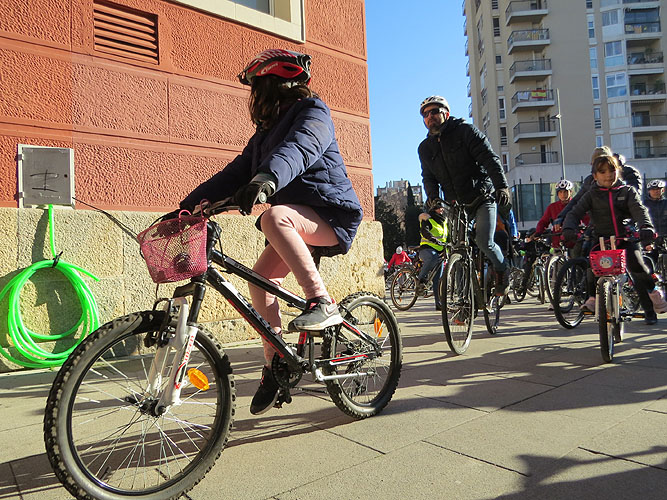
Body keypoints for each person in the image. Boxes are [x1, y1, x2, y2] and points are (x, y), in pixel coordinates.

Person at [177, 49, 363, 414]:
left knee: (274, 217)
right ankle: (276, 361)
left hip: (331, 216)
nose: (254, 97)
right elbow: (234, 173)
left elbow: (301, 147)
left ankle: (321, 302)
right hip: (295, 221)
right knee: (260, 280)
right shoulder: (263, 135)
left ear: (279, 85)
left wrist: (267, 177)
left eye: (258, 88)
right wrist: (186, 208)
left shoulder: (314, 112)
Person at [417, 95, 512, 295]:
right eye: (425, 114)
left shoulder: (466, 131)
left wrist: (502, 187)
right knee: (456, 249)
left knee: (484, 241)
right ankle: (463, 300)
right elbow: (428, 177)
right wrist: (433, 198)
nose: (429, 116)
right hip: (455, 204)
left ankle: (502, 270)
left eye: (434, 111)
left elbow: (490, 159)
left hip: (481, 197)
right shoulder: (425, 148)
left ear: (446, 113)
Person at [562, 154, 667, 324]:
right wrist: (568, 228)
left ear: (618, 171)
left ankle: (653, 293)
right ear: (595, 176)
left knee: (637, 265)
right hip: (601, 239)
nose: (608, 175)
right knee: (592, 266)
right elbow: (574, 213)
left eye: (612, 170)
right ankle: (592, 298)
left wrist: (645, 227)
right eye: (602, 172)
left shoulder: (627, 191)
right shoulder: (591, 195)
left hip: (625, 238)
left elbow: (639, 210)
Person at [554, 147, 642, 231]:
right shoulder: (590, 184)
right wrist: (563, 219)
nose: (608, 175)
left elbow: (636, 205)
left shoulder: (627, 182)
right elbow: (577, 203)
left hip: (625, 227)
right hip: (598, 228)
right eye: (600, 170)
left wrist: (644, 226)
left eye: (609, 169)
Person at [416, 198, 448, 310]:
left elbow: (446, 237)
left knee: (437, 280)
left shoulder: (444, 222)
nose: (442, 209)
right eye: (439, 208)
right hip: (427, 249)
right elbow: (424, 231)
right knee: (433, 257)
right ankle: (421, 279)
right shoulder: (428, 219)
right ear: (433, 209)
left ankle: (438, 304)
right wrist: (432, 238)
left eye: (442, 207)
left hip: (440, 251)